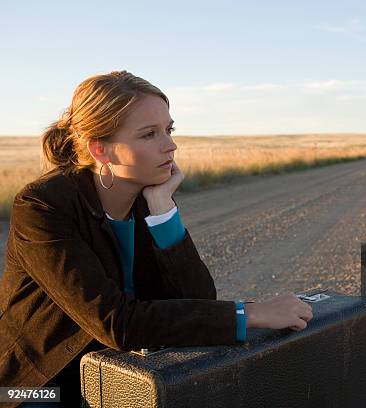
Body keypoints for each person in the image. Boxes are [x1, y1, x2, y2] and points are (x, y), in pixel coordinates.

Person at [0, 70, 313, 408]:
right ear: (101, 149)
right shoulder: (43, 205)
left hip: (118, 374)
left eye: (169, 129)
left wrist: (163, 208)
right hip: (37, 384)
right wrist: (247, 315)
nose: (171, 144)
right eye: (150, 134)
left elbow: (199, 298)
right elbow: (117, 324)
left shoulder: (148, 199)